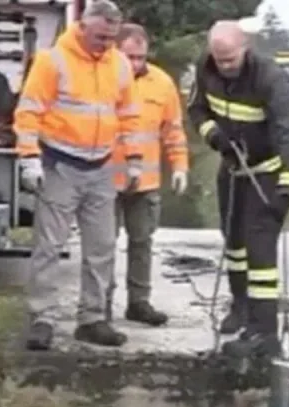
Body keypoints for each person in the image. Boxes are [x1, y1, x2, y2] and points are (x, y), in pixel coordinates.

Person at [13, 0, 144, 350]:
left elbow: (130, 114)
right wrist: (29, 159)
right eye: (101, 36)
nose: (106, 44)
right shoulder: (52, 60)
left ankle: (92, 319)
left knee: (101, 247)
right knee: (49, 247)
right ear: (83, 28)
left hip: (101, 166)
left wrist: (133, 159)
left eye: (112, 38)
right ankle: (42, 318)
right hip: (60, 165)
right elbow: (28, 113)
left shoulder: (118, 65)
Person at [187, 20, 289, 359]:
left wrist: (288, 185)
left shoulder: (268, 76)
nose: (224, 67)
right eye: (219, 59)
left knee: (260, 248)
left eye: (230, 60)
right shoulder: (204, 67)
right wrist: (213, 134)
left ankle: (264, 330)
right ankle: (239, 307)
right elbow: (197, 108)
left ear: (246, 47)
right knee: (234, 244)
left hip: (266, 173)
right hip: (232, 168)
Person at [107, 23, 190, 326]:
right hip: (105, 180)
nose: (136, 64)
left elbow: (173, 131)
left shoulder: (162, 83)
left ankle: (138, 302)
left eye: (141, 57)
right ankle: (99, 305)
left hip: (145, 183)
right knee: (103, 246)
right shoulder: (103, 79)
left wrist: (180, 166)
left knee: (142, 242)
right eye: (130, 57)